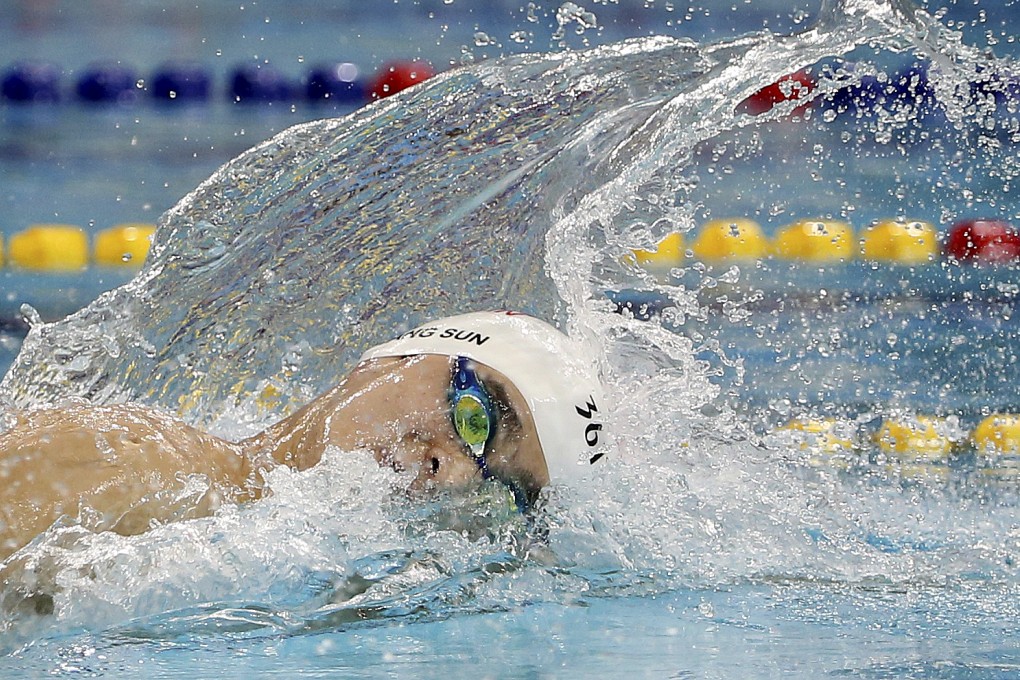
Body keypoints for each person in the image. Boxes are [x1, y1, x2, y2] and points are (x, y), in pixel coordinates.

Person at [0, 311, 608, 561]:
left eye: (498, 487)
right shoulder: (133, 463)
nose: (450, 471)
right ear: (392, 359)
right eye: (476, 419)